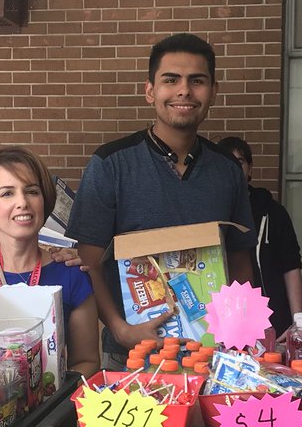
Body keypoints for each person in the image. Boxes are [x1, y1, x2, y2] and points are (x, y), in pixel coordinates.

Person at [67, 33, 256, 367]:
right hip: (131, 351)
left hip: (212, 351)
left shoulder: (227, 171)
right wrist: (120, 329)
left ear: (213, 92)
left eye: (197, 81)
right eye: (171, 80)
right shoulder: (110, 164)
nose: (184, 91)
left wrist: (239, 328)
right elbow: (87, 262)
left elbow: (240, 259)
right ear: (150, 91)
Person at [0, 148, 100, 378]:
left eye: (32, 191)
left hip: (49, 409)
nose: (22, 202)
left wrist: (51, 399)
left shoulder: (71, 273)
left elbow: (87, 361)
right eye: (7, 193)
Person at [217, 135, 302, 337]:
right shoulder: (208, 212)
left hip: (274, 320)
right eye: (225, 163)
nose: (233, 169)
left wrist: (298, 321)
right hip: (222, 321)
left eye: (239, 162)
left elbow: (291, 267)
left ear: (250, 169)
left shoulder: (273, 212)